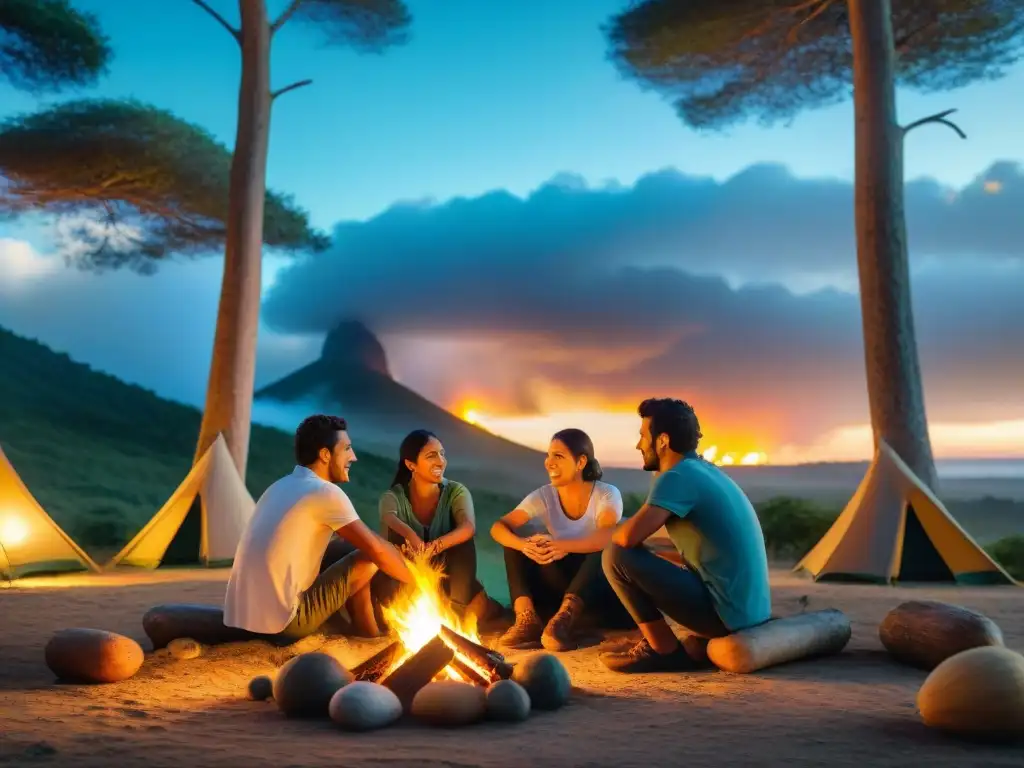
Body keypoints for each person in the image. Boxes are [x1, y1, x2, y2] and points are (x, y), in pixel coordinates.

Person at [598, 398, 772, 673]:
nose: (639, 445)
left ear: (663, 440)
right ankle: (672, 645)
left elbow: (626, 539)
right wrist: (649, 552)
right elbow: (687, 545)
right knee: (638, 553)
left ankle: (663, 650)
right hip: (750, 612)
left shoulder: (676, 477)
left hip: (728, 615)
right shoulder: (704, 470)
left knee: (616, 555)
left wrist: (605, 528)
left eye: (643, 436)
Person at [223, 414, 412, 644]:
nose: (353, 457)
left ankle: (366, 631)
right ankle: (369, 636)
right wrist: (420, 581)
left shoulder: (279, 486)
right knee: (369, 557)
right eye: (347, 449)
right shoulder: (325, 492)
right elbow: (375, 550)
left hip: (245, 621)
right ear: (325, 454)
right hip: (283, 626)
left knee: (346, 547)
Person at [491, 428, 634, 651]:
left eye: (558, 456)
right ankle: (526, 619)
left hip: (595, 586)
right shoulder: (544, 495)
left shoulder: (606, 494)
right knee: (517, 543)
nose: (549, 463)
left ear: (581, 462)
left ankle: (564, 620)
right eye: (548, 456)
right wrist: (526, 546)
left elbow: (605, 536)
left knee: (606, 549)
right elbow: (498, 527)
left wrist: (560, 546)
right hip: (560, 581)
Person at [371, 429, 490, 623]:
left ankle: (456, 613)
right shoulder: (392, 497)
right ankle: (401, 609)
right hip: (406, 579)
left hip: (448, 578)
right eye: (431, 455)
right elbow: (389, 518)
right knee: (394, 538)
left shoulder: (455, 491)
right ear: (411, 465)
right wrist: (412, 536)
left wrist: (434, 547)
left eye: (442, 454)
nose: (441, 461)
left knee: (463, 541)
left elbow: (468, 526)